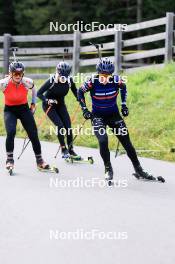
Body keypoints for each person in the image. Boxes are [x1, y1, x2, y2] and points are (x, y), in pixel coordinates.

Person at [77, 57, 152, 183]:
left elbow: (124, 88)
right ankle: (108, 168)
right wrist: (84, 109)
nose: (105, 78)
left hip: (114, 116)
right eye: (102, 75)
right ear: (98, 73)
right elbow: (80, 92)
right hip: (98, 116)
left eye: (108, 75)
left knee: (127, 143)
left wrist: (123, 105)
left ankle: (139, 169)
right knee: (103, 140)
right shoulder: (92, 81)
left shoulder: (117, 80)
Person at [0, 61, 50, 171]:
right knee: (11, 132)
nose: (18, 76)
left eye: (20, 74)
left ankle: (40, 161)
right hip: (10, 110)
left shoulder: (27, 82)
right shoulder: (4, 83)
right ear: (10, 74)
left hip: (23, 109)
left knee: (33, 134)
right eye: (15, 74)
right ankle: (9, 160)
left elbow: (34, 90)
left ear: (23, 73)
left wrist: (33, 103)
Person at [37, 61, 80, 159]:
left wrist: (80, 98)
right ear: (58, 72)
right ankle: (63, 149)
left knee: (68, 127)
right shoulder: (51, 80)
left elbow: (75, 92)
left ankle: (70, 149)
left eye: (65, 76)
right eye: (61, 76)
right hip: (49, 106)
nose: (63, 78)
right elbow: (39, 93)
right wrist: (47, 100)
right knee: (60, 126)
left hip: (60, 105)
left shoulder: (69, 81)